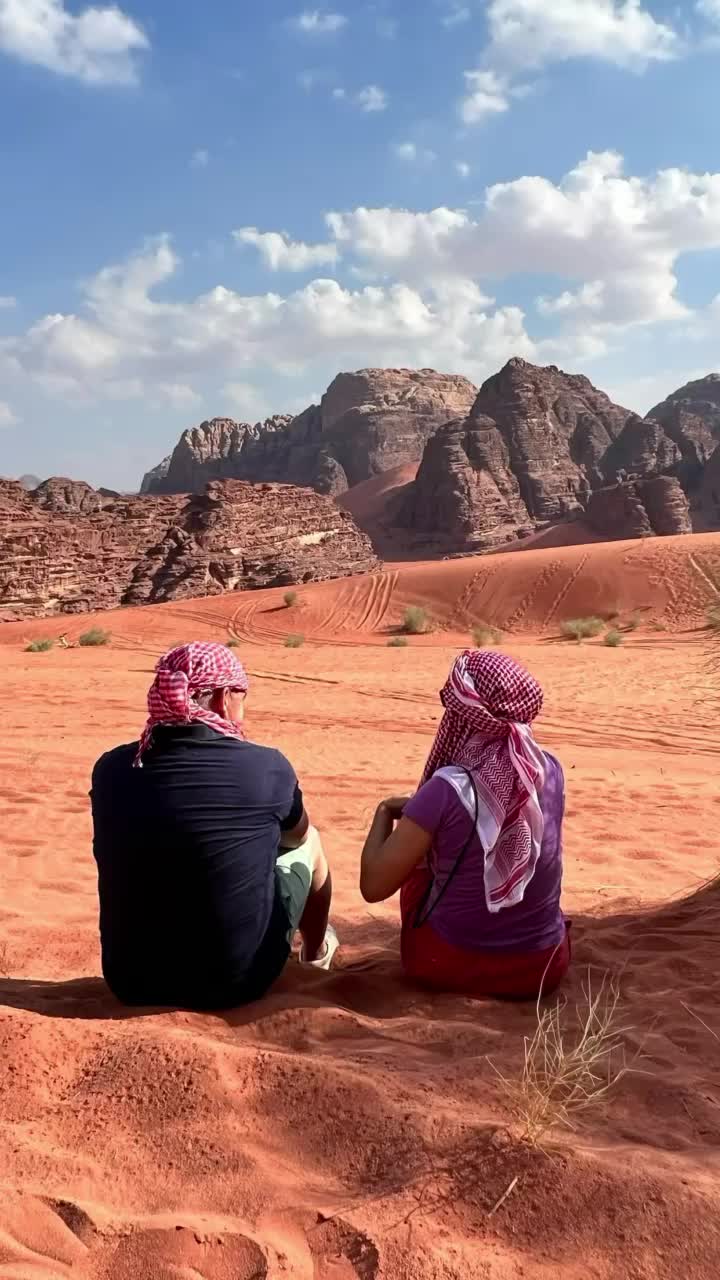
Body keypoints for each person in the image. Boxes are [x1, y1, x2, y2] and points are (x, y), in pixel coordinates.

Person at [90, 642, 338, 1010]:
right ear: (224, 698)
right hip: (235, 982)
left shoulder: (110, 768)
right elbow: (297, 835)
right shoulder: (266, 767)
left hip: (130, 981)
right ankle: (316, 951)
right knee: (311, 843)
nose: (244, 706)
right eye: (243, 695)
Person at [360, 649, 569, 999]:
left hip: (451, 966)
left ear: (464, 714)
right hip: (543, 968)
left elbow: (373, 887)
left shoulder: (446, 787)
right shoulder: (551, 770)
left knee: (417, 867)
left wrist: (383, 812)